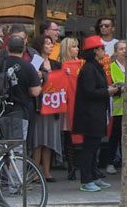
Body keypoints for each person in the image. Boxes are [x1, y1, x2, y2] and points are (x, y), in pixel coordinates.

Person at [73, 35, 119, 192]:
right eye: (101, 49)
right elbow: (89, 92)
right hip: (89, 115)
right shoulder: (88, 69)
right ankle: (86, 180)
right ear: (94, 51)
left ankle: (94, 176)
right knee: (89, 148)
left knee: (94, 146)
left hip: (97, 113)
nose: (104, 52)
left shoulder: (95, 67)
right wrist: (108, 91)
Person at [0, 35, 42, 152]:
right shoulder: (29, 67)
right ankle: (15, 170)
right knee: (17, 148)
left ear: (7, 48)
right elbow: (35, 92)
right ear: (24, 49)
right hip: (19, 112)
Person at [30, 35, 62, 182]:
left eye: (51, 43)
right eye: (47, 43)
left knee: (49, 140)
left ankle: (47, 171)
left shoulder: (56, 64)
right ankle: (36, 172)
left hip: (53, 105)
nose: (50, 46)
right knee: (38, 141)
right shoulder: (35, 62)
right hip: (39, 106)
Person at [59, 36, 80, 180]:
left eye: (77, 46)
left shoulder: (82, 64)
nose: (77, 49)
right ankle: (71, 167)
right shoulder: (60, 65)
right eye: (74, 46)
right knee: (68, 137)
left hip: (79, 104)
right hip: (67, 106)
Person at [107, 40, 127, 175]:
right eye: (121, 49)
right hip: (117, 108)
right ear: (115, 52)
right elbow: (110, 86)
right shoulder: (111, 67)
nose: (124, 51)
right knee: (115, 136)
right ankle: (110, 162)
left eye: (126, 48)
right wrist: (121, 88)